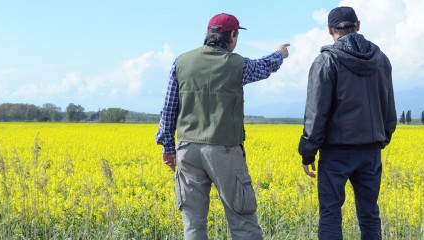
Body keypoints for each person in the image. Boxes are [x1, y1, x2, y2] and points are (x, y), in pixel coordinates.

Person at [156, 13, 289, 240]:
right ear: (232, 36)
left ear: (208, 34)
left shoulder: (181, 62)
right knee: (242, 220)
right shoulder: (236, 64)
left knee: (193, 224)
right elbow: (264, 67)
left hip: (187, 149)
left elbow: (168, 109)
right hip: (223, 151)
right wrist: (280, 54)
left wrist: (168, 148)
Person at [298, 6, 396, 240]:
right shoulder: (381, 60)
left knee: (331, 215)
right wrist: (381, 139)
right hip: (371, 149)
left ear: (330, 30)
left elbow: (316, 113)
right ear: (358, 25)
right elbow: (389, 108)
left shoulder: (326, 61)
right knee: (370, 215)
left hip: (336, 152)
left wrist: (307, 153)